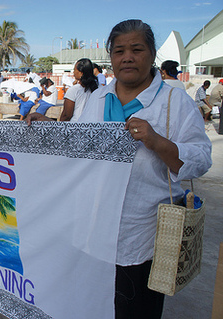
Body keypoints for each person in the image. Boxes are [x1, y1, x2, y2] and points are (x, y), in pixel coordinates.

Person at [27, 19, 212, 318]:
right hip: (91, 230)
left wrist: (157, 141)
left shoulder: (173, 102)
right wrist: (51, 128)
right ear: (111, 57)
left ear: (152, 54)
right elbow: (79, 143)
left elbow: (201, 161)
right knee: (92, 305)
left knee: (135, 309)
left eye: (137, 49)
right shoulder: (97, 98)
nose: (127, 57)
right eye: (119, 51)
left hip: (139, 236)